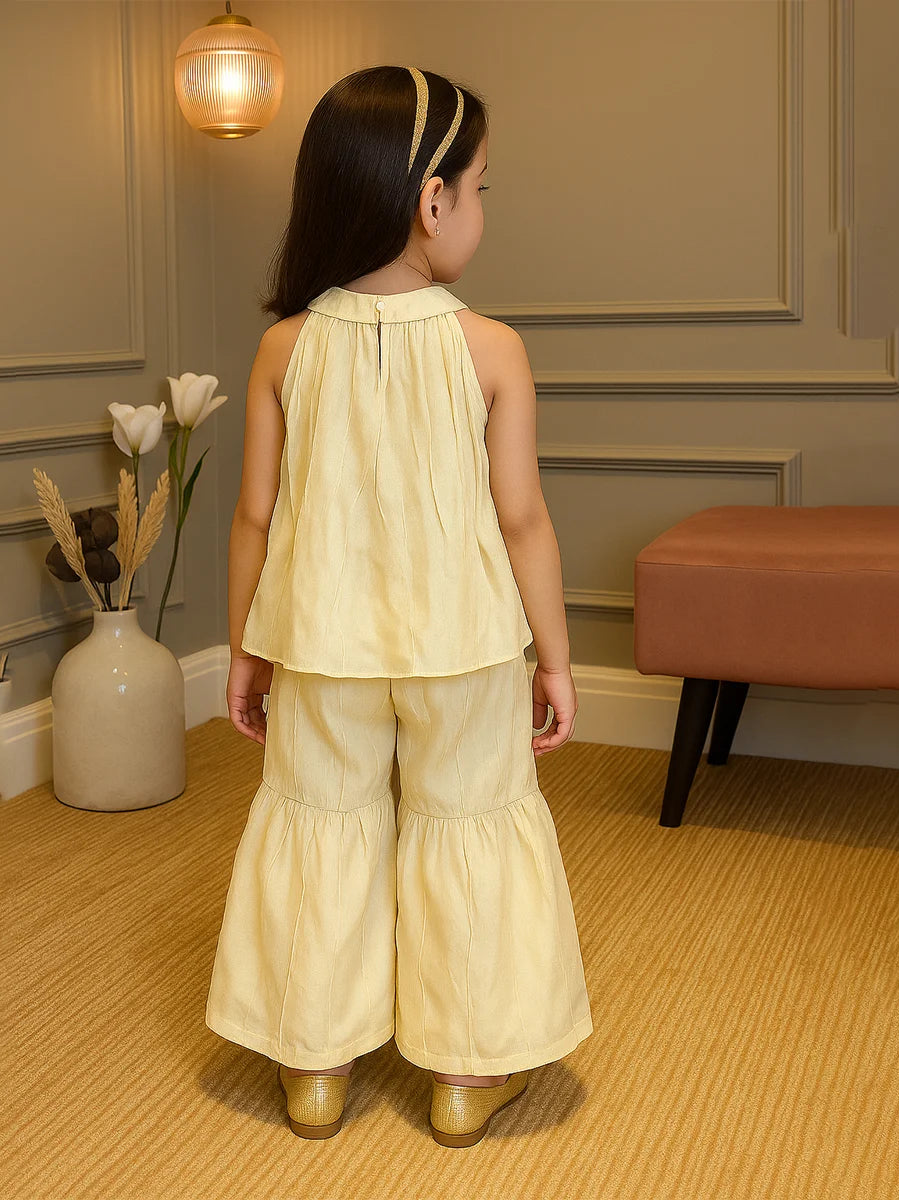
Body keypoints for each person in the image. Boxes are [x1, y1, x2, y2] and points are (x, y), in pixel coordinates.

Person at [206, 64, 592, 1147]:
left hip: (319, 645)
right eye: (480, 188)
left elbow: (254, 517)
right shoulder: (491, 349)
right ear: (432, 201)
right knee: (466, 822)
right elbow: (523, 521)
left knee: (319, 823)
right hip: (462, 647)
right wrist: (556, 659)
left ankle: (314, 1064)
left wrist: (243, 649)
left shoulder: (285, 347)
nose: (480, 208)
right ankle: (465, 1076)